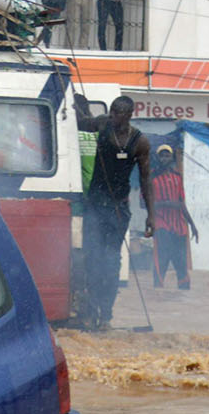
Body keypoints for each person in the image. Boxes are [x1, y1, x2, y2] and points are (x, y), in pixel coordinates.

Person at [74, 93, 155, 330]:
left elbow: (146, 180)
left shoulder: (140, 142)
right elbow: (81, 122)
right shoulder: (102, 125)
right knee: (91, 258)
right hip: (95, 206)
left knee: (111, 261)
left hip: (119, 209)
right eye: (111, 112)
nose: (113, 117)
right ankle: (90, 310)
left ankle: (106, 315)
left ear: (129, 115)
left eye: (118, 113)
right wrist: (77, 105)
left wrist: (151, 215)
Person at [149, 144, 199, 289]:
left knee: (181, 264)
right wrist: (166, 203)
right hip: (161, 225)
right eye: (162, 155)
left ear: (171, 158)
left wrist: (193, 225)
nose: (164, 158)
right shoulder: (151, 177)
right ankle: (157, 297)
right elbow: (143, 203)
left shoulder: (177, 177)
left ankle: (184, 298)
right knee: (161, 262)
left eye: (167, 155)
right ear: (157, 158)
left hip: (179, 227)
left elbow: (182, 203)